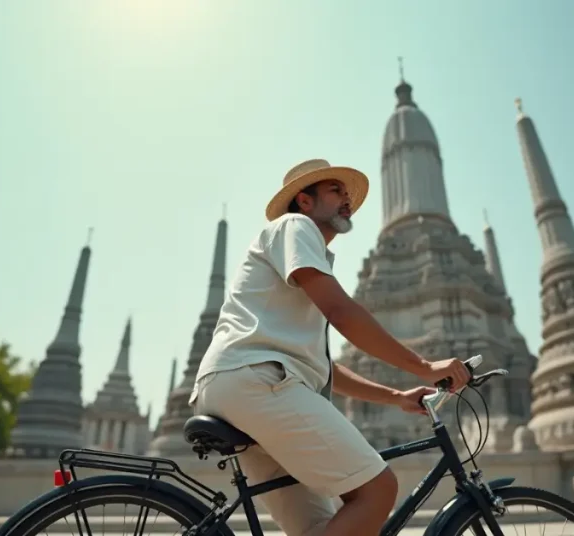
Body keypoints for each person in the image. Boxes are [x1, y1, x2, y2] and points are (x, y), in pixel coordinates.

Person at [188, 158, 471, 536]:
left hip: (240, 385)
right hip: (256, 380)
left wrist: (396, 396)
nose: (347, 200)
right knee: (377, 489)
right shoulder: (294, 225)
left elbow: (325, 367)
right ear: (305, 201)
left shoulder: (304, 257)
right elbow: (341, 312)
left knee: (321, 528)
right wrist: (426, 366)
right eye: (336, 190)